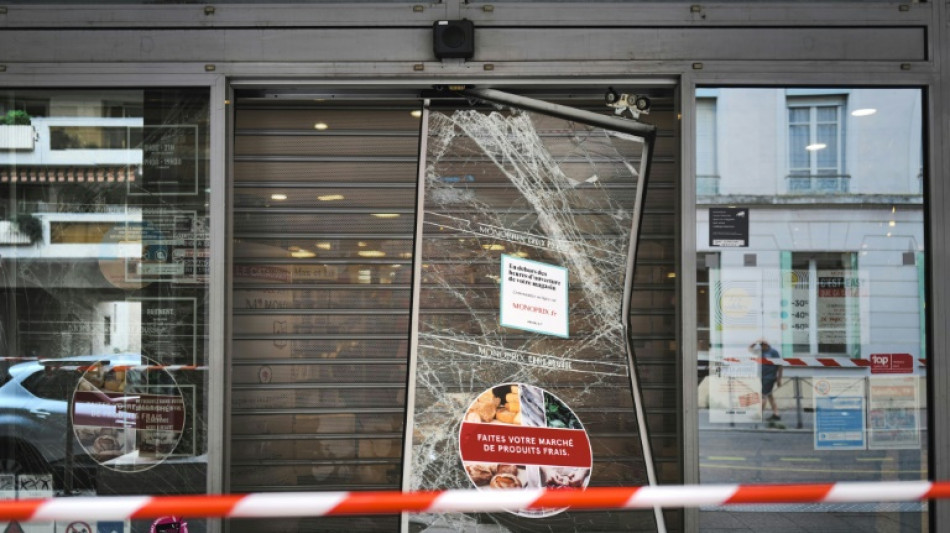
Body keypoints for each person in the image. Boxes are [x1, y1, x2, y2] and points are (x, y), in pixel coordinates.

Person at [749, 338, 783, 421]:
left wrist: (779, 379)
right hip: (763, 377)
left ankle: (759, 415)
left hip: (770, 377)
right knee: (769, 395)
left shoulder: (773, 352)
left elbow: (780, 365)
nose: (760, 346)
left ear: (766, 344)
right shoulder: (760, 352)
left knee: (763, 396)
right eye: (760, 345)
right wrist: (755, 342)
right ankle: (776, 414)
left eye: (762, 345)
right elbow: (750, 350)